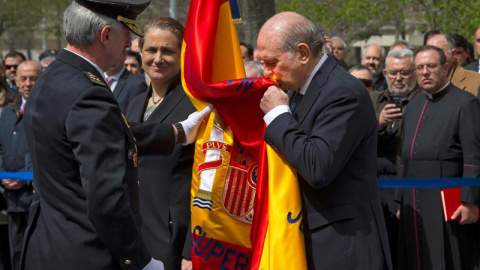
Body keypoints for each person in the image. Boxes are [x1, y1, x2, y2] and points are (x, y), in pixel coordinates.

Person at [21, 1, 212, 270]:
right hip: (86, 253)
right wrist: (141, 262)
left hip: (49, 246)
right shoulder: (89, 91)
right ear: (106, 35)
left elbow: (103, 133)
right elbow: (106, 199)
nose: (130, 42)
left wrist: (174, 132)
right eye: (128, 32)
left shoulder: (56, 76)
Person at [257, 11, 391, 270]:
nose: (267, 72)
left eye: (272, 62)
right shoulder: (297, 90)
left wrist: (277, 115)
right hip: (306, 239)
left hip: (342, 246)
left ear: (303, 53)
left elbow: (318, 167)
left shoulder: (342, 92)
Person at [397, 45, 480, 270]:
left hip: (449, 198)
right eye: (420, 67)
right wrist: (399, 200)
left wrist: (469, 200)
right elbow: (403, 157)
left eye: (431, 66)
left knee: (450, 257)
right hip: (413, 198)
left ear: (445, 67)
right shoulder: (413, 106)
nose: (424, 72)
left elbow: (474, 156)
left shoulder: (466, 103)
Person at [125, 17, 196, 270]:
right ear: (140, 51)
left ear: (183, 53)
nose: (158, 58)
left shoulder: (196, 107)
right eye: (151, 50)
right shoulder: (132, 104)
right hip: (135, 238)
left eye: (168, 50)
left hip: (175, 239)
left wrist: (192, 248)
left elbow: (210, 181)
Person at [369, 49, 420, 268]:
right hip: (375, 187)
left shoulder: (423, 101)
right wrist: (378, 123)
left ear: (415, 73)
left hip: (408, 186)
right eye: (393, 73)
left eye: (404, 72)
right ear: (384, 72)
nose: (398, 78)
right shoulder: (373, 100)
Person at [0, 61, 40, 270]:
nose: (28, 83)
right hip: (12, 199)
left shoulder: (48, 110)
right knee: (16, 252)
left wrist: (25, 177)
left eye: (33, 78)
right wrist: (3, 176)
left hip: (36, 198)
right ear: (15, 80)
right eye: (23, 78)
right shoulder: (8, 111)